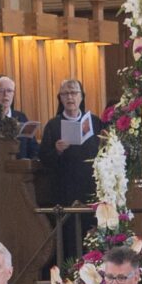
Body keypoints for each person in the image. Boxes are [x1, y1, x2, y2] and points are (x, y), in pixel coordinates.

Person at [37, 78, 103, 264]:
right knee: (69, 239)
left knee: (91, 235)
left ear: (82, 96)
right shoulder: (53, 125)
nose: (70, 97)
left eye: (74, 93)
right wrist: (56, 150)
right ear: (60, 98)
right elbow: (44, 158)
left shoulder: (95, 122)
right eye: (65, 94)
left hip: (90, 189)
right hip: (65, 190)